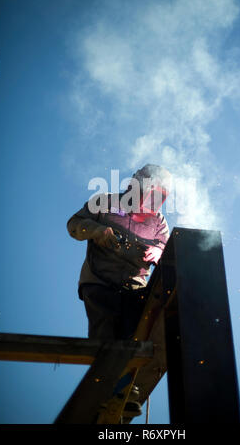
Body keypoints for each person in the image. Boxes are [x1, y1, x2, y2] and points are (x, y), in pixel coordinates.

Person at [66, 164, 171, 417]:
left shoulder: (158, 222)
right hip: (98, 281)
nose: (151, 202)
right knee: (105, 334)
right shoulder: (105, 202)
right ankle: (102, 391)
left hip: (134, 287)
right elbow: (74, 224)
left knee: (133, 335)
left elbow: (166, 245)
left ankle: (124, 393)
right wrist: (98, 231)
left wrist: (159, 251)